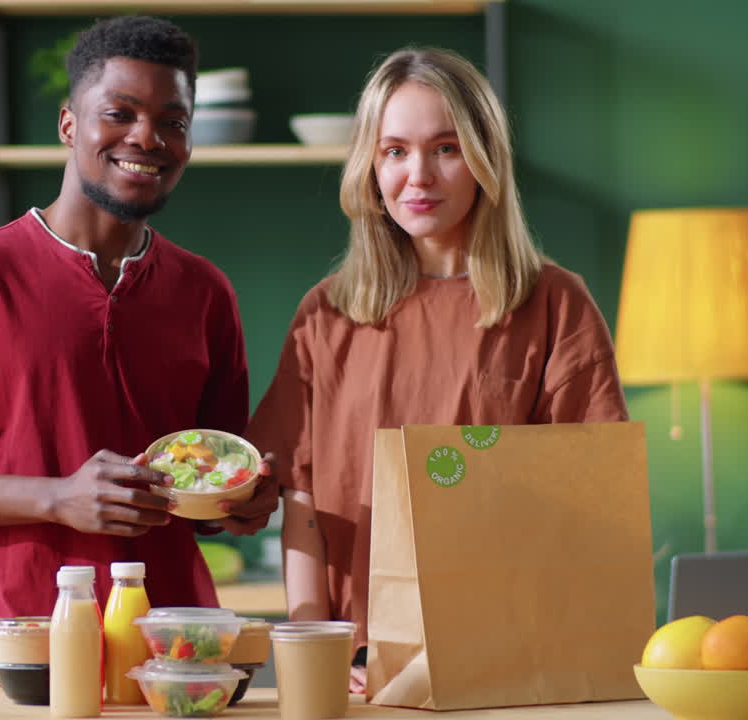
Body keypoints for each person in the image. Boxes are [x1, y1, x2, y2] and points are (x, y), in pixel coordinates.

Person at [0, 16, 277, 686]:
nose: (148, 137)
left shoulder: (205, 293)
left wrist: (241, 504)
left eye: (173, 121)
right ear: (68, 124)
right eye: (120, 113)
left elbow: (206, 490)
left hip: (177, 671)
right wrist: (56, 498)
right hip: (26, 667)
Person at [246, 47, 629, 693]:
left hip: (512, 658)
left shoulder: (556, 304)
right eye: (395, 150)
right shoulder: (328, 312)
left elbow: (591, 498)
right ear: (370, 165)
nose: (417, 175)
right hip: (363, 666)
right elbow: (302, 498)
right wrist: (320, 646)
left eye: (445, 148)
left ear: (484, 160)